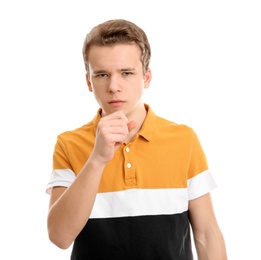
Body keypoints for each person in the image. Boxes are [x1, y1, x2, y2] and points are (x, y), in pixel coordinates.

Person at [46, 19, 227, 260]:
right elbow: (60, 237)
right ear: (89, 81)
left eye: (126, 73)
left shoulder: (184, 139)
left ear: (147, 77)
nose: (113, 86)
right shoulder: (68, 144)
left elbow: (207, 234)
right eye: (101, 74)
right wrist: (97, 159)